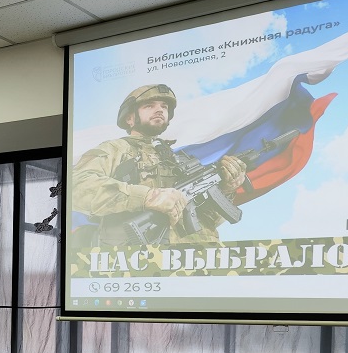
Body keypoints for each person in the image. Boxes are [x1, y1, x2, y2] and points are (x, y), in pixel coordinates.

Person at [71, 84, 247, 246]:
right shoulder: (115, 149)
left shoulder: (180, 160)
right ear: (130, 118)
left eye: (164, 106)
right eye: (149, 106)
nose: (160, 110)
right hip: (140, 258)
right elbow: (76, 187)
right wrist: (147, 197)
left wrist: (226, 190)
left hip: (198, 256)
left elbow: (207, 221)